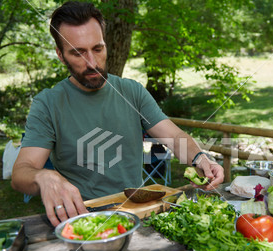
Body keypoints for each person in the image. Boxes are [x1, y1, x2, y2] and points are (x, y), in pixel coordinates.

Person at [11, 1, 224, 227]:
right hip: (84, 219)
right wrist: (44, 176)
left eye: (97, 49)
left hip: (139, 213)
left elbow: (175, 136)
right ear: (61, 55)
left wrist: (199, 158)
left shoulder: (132, 91)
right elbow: (21, 172)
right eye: (78, 53)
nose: (91, 63)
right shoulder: (48, 103)